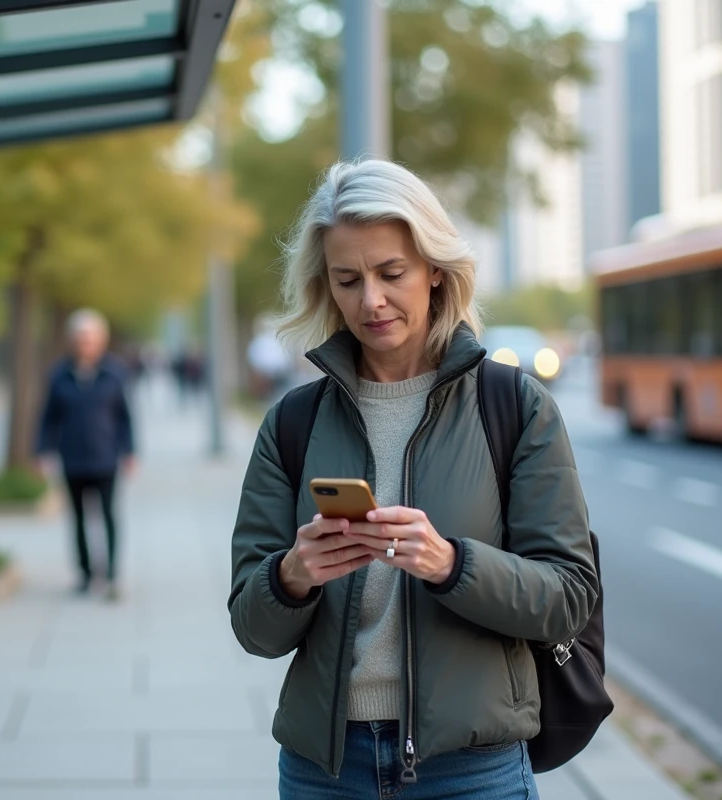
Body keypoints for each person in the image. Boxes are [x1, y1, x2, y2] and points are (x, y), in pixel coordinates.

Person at [227, 160, 598, 799]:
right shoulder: (293, 421)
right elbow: (252, 627)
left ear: (435, 272)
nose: (370, 299)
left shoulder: (514, 406)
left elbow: (567, 595)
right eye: (348, 279)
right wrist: (293, 576)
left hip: (470, 770)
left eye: (391, 273)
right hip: (325, 770)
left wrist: (451, 563)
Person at [37, 309, 135, 600]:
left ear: (101, 340)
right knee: (78, 518)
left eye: (90, 338)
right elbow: (48, 417)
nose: (85, 343)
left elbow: (125, 417)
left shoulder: (115, 373)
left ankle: (112, 573)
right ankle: (85, 573)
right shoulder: (59, 375)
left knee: (108, 516)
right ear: (71, 340)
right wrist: (42, 450)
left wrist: (130, 451)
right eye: (80, 337)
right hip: (73, 457)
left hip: (105, 457)